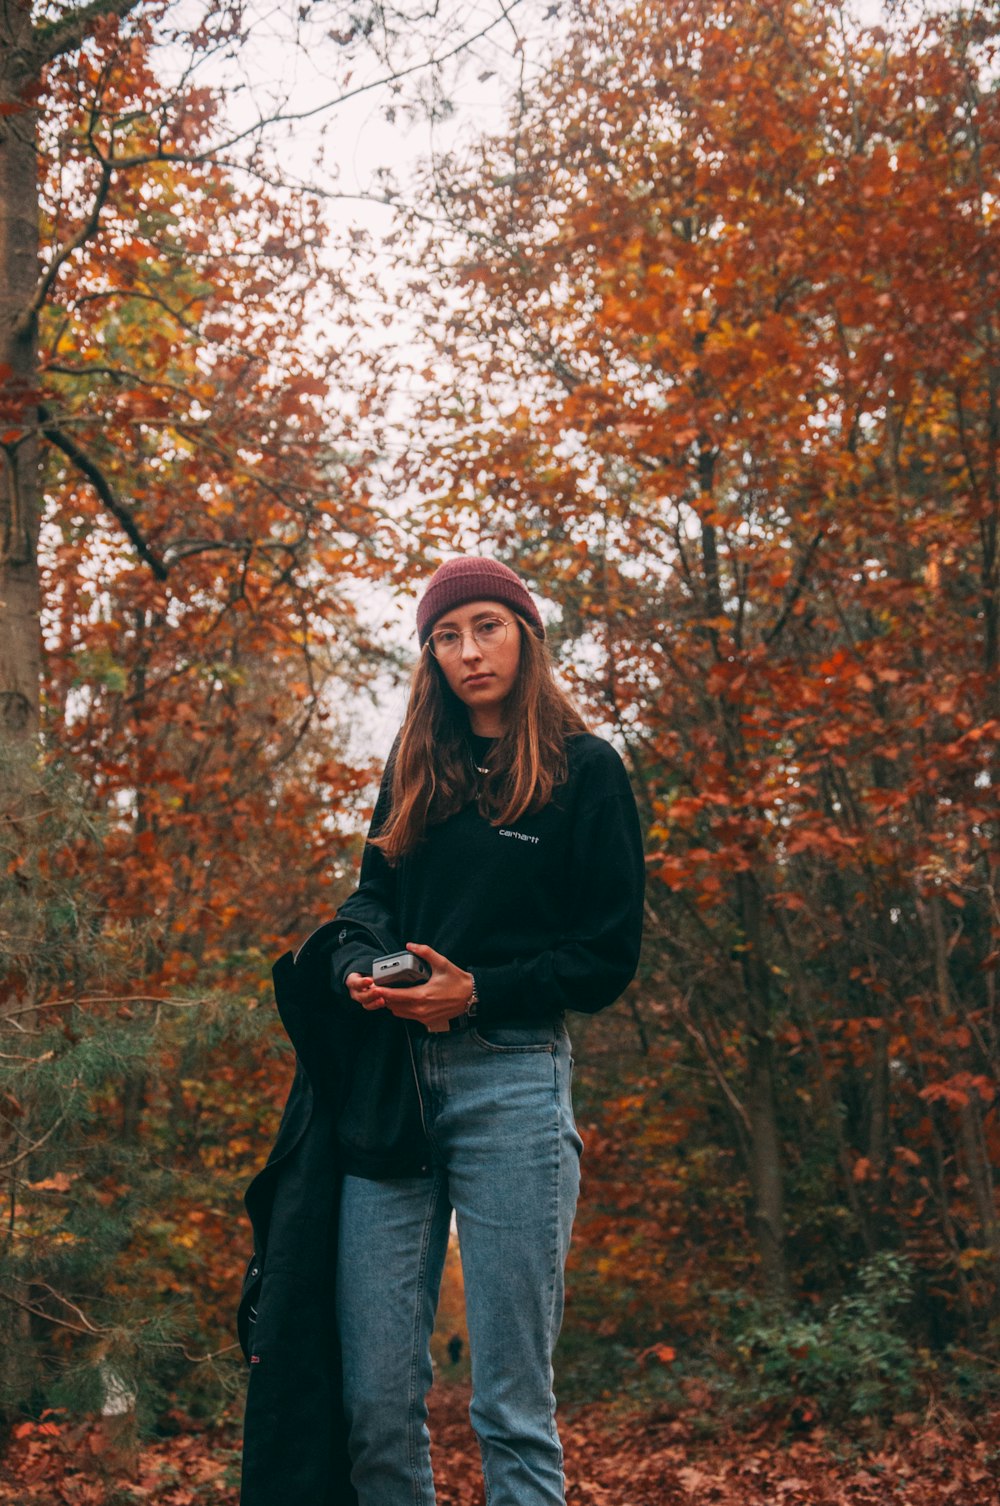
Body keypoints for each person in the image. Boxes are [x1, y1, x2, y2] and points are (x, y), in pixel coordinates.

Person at [326, 555, 646, 1506]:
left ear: (526, 636)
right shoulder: (414, 767)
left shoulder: (587, 772)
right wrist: (362, 962)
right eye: (448, 636)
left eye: (487, 628)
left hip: (513, 1078)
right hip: (393, 1088)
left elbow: (606, 957)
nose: (470, 652)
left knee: (511, 1406)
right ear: (431, 656)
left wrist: (477, 994)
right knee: (377, 1404)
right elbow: (371, 896)